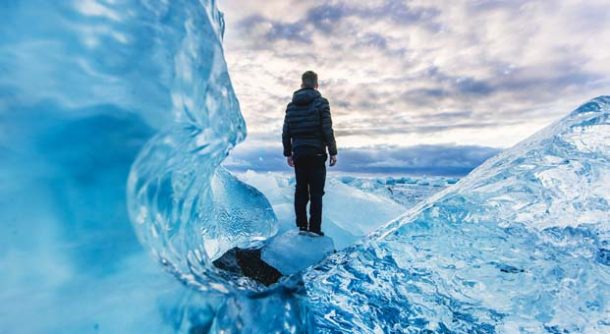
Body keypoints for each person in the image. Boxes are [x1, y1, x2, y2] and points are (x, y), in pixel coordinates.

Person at [282, 70, 337, 236]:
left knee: (301, 190)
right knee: (316, 193)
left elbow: (286, 132)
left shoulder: (291, 106)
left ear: (301, 83)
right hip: (316, 153)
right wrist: (333, 151)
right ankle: (314, 229)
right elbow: (327, 128)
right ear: (316, 84)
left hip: (299, 153)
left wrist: (288, 153)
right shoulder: (321, 102)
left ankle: (302, 227)